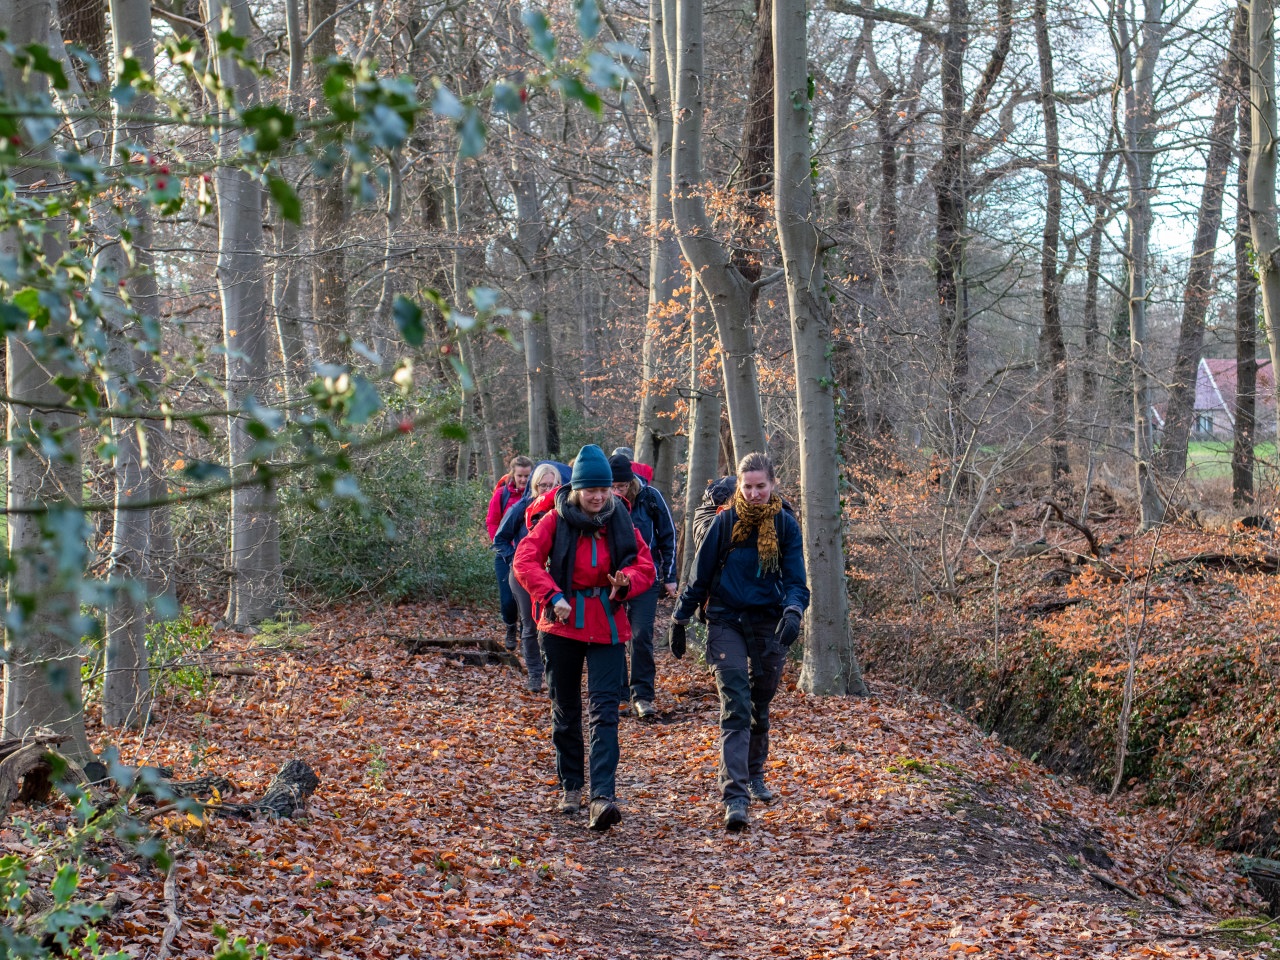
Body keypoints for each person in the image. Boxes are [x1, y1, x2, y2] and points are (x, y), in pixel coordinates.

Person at [514, 444, 656, 831]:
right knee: (566, 708)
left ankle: (602, 796)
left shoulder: (621, 519)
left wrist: (626, 583)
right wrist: (551, 595)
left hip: (607, 624)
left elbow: (645, 565)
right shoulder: (554, 520)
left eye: (604, 490)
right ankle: (571, 785)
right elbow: (524, 559)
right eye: (590, 490)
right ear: (576, 489)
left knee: (606, 711)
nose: (597, 496)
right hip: (561, 623)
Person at [670, 452, 809, 832]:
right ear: (739, 486)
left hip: (769, 620)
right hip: (726, 618)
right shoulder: (724, 521)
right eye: (747, 486)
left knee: (760, 701)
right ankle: (735, 797)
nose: (753, 493)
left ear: (773, 484)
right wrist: (680, 616)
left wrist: (793, 612)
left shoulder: (785, 525)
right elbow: (700, 575)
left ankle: (754, 772)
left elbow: (797, 580)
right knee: (735, 702)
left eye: (760, 486)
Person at [608, 453, 678, 719]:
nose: (617, 491)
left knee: (640, 635)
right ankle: (619, 695)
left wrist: (669, 576)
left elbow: (667, 534)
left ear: (630, 483)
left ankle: (643, 695)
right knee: (614, 635)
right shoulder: (602, 500)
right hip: (612, 578)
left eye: (622, 487)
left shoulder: (650, 497)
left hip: (646, 577)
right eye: (613, 486)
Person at [494, 462, 564, 692]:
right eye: (542, 485)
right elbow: (500, 538)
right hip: (524, 574)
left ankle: (553, 671)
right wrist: (515, 559)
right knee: (530, 623)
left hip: (553, 574)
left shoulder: (564, 510)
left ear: (560, 485)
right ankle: (535, 674)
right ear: (535, 486)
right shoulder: (521, 507)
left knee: (552, 624)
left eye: (552, 484)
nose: (547, 489)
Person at [487, 456, 533, 649]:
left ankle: (526, 634)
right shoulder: (502, 494)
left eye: (527, 476)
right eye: (520, 475)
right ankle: (510, 627)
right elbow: (492, 522)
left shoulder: (535, 495)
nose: (523, 480)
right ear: (513, 474)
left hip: (530, 556)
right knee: (508, 599)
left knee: (527, 598)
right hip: (506, 554)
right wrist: (502, 545)